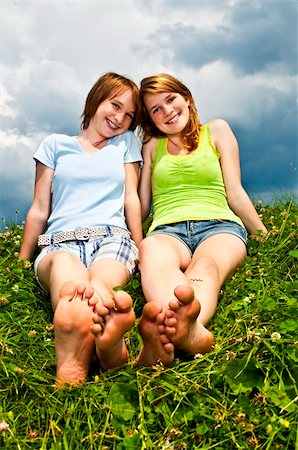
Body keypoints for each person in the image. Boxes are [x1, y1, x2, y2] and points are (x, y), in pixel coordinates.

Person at [135, 73, 267, 366]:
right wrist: (126, 235)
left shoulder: (216, 130)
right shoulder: (152, 147)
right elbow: (143, 205)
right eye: (156, 109)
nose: (167, 110)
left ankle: (189, 324)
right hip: (167, 230)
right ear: (151, 120)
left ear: (187, 99)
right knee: (152, 254)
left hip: (219, 225)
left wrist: (262, 234)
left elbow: (235, 192)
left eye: (171, 100)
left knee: (206, 265)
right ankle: (178, 326)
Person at [19, 72, 143, 386]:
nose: (119, 119)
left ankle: (98, 340)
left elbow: (131, 198)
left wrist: (140, 247)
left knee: (101, 281)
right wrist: (22, 259)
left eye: (128, 115)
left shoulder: (125, 144)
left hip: (112, 237)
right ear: (95, 100)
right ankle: (101, 346)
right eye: (115, 106)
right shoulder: (55, 145)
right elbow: (38, 208)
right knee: (67, 277)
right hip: (61, 241)